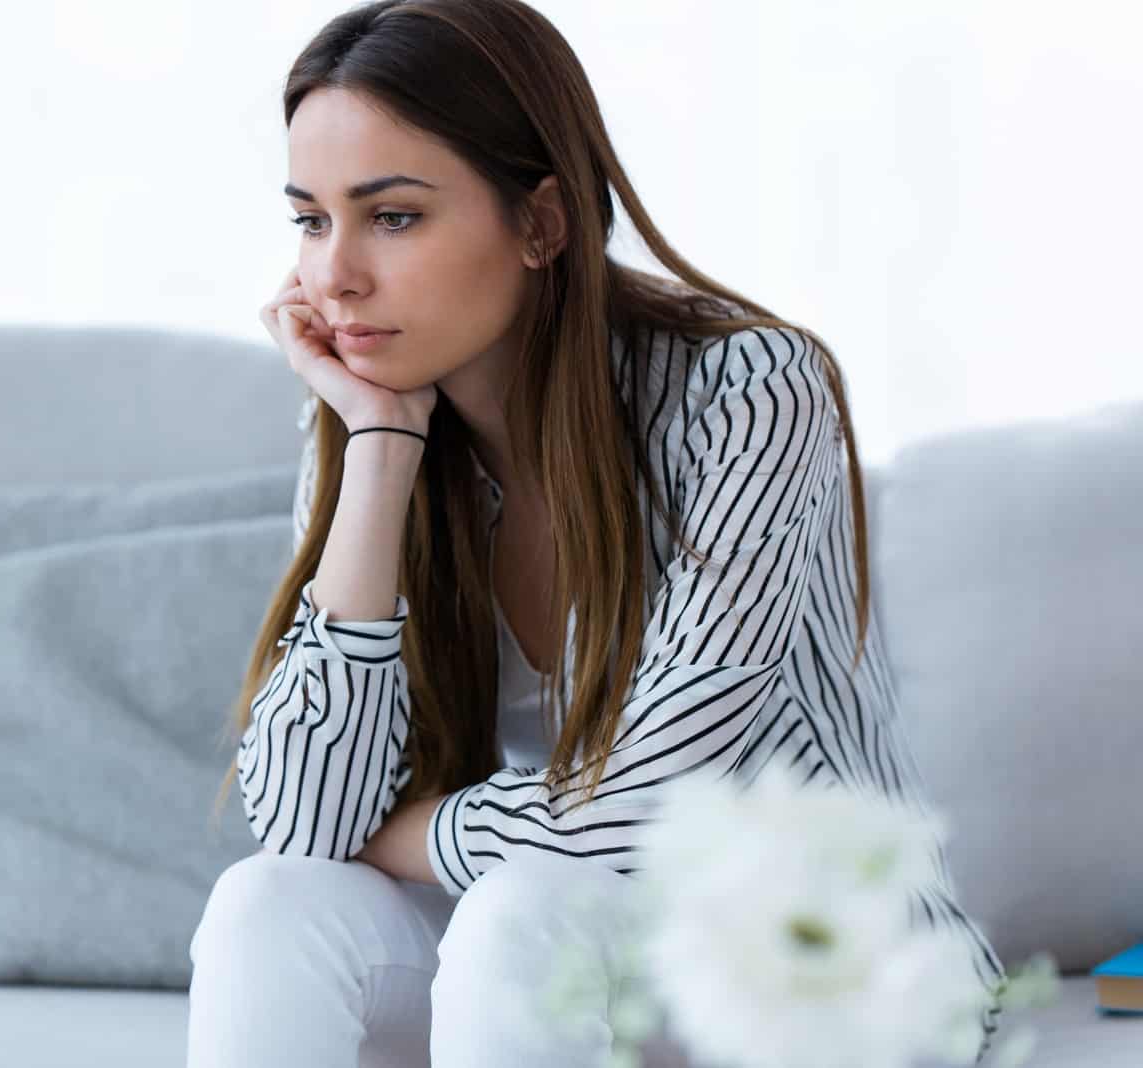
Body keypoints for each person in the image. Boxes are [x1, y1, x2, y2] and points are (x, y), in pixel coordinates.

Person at [190, 2, 1006, 1065]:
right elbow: (301, 827)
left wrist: (410, 835)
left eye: (391, 217)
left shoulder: (748, 388)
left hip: (818, 974)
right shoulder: (366, 410)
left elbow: (654, 804)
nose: (332, 276)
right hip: (559, 955)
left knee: (523, 910)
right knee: (267, 906)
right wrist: (381, 451)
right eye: (310, 220)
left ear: (541, 223)